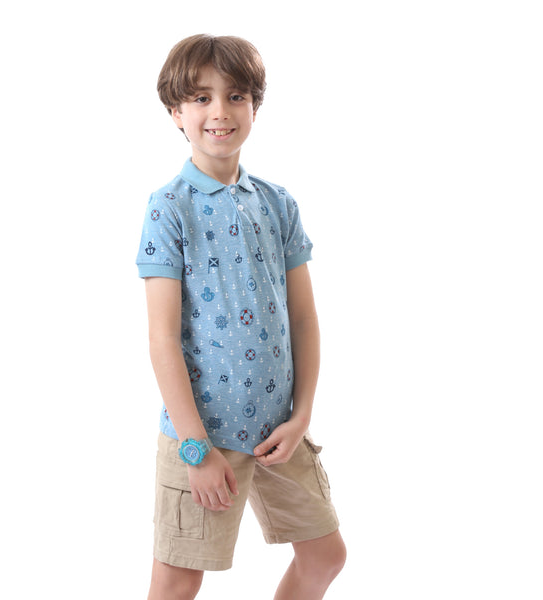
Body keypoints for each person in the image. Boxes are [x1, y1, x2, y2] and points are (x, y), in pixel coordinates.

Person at [136, 34, 346, 600]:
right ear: (176, 112)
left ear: (255, 106)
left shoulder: (277, 203)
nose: (220, 112)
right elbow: (162, 340)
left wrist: (301, 415)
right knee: (178, 582)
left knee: (326, 555)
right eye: (201, 98)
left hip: (279, 432)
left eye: (236, 96)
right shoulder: (168, 208)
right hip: (203, 435)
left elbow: (303, 319)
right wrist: (195, 450)